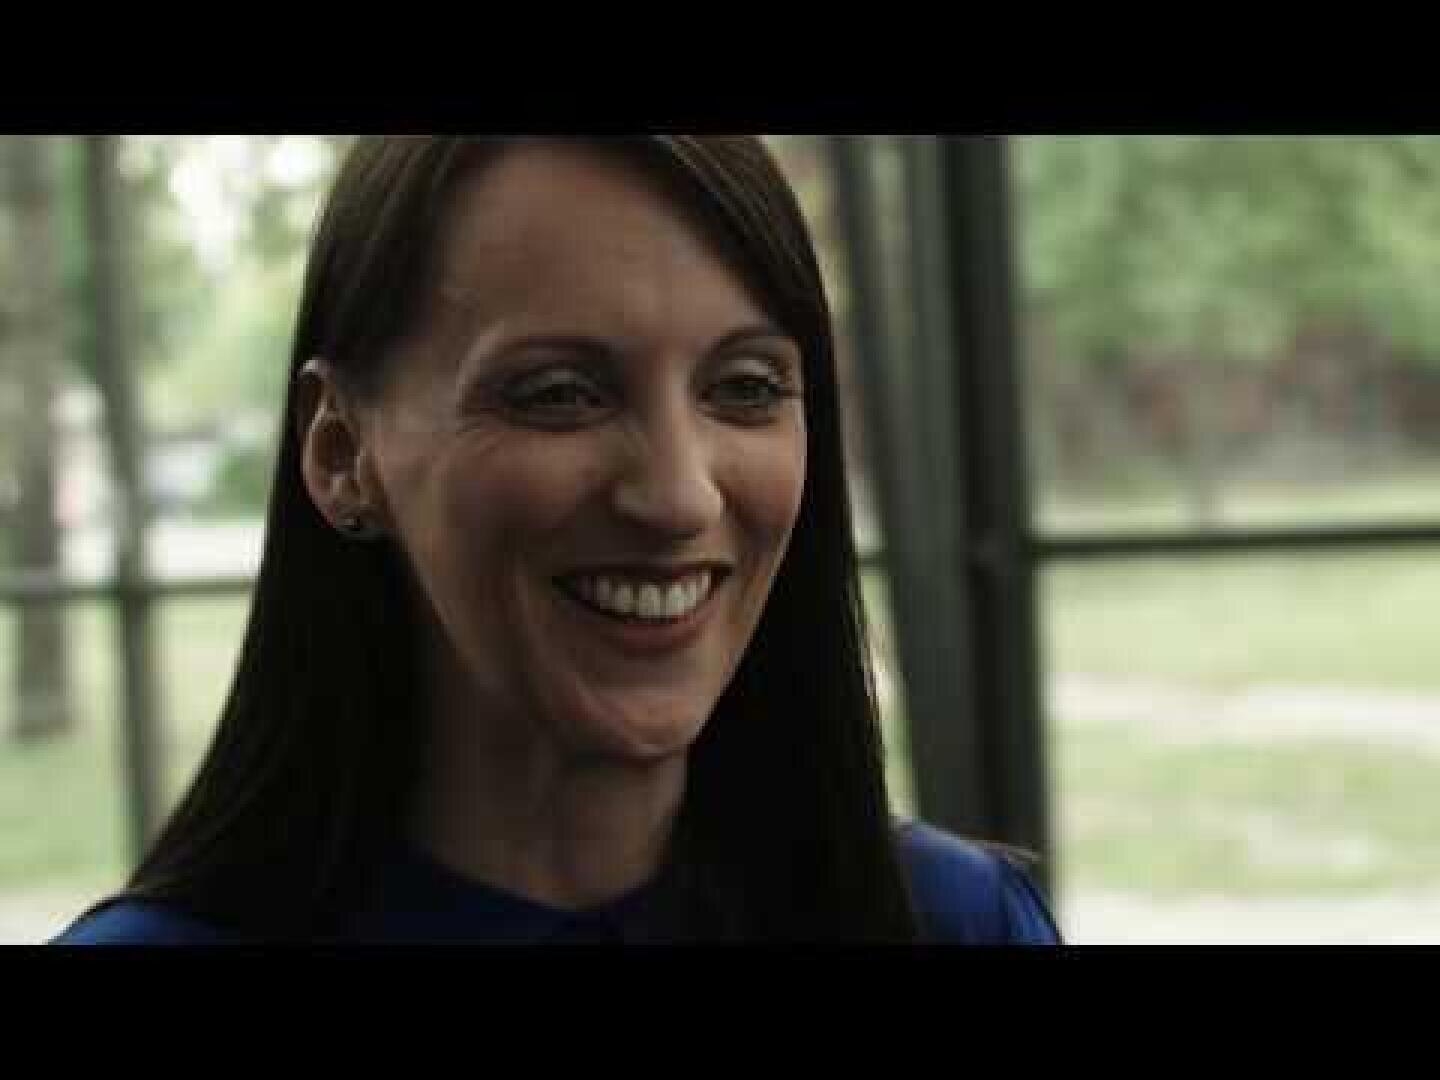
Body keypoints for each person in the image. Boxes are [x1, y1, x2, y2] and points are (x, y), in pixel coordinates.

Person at [53, 136, 1061, 944]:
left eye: (745, 388)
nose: (675, 496)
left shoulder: (955, 922)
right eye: (559, 395)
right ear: (339, 448)